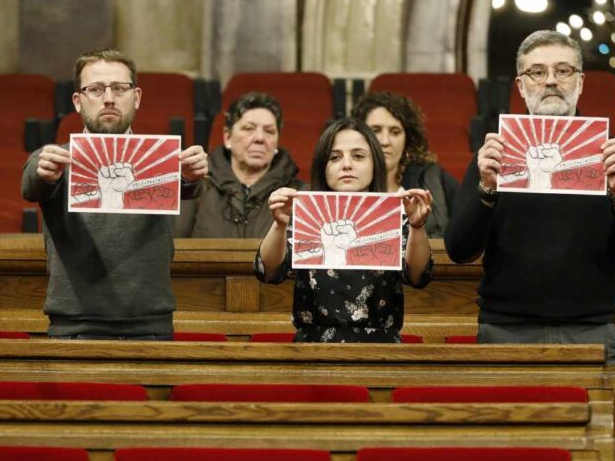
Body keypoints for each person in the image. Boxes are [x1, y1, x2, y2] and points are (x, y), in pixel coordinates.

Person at [444, 30, 615, 362]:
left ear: (580, 82)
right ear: (520, 86)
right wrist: (487, 187)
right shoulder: (495, 155)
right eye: (537, 72)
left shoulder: (609, 156)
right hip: (506, 329)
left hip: (590, 329)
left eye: (563, 71)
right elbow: (458, 250)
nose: (550, 81)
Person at [21, 48, 208, 339]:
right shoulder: (55, 159)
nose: (108, 98)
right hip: (74, 327)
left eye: (120, 88)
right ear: (78, 101)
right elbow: (32, 184)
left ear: (136, 97)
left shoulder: (163, 161)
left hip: (151, 326)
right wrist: (44, 173)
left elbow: (189, 185)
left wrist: (190, 174)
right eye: (95, 89)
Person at [254, 117, 434, 343]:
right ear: (323, 166)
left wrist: (417, 226)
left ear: (375, 164)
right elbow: (268, 272)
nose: (346, 165)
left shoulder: (395, 216)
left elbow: (419, 277)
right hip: (313, 348)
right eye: (335, 157)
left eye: (358, 156)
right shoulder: (304, 214)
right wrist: (280, 224)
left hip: (382, 349)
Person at [176, 92, 304, 238]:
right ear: (227, 137)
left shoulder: (296, 194)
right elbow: (174, 245)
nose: (260, 138)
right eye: (249, 128)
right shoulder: (195, 187)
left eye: (269, 131)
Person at [352, 91, 460, 239]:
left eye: (395, 132)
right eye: (375, 130)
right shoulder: (343, 181)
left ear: (407, 140)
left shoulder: (433, 178)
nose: (385, 141)